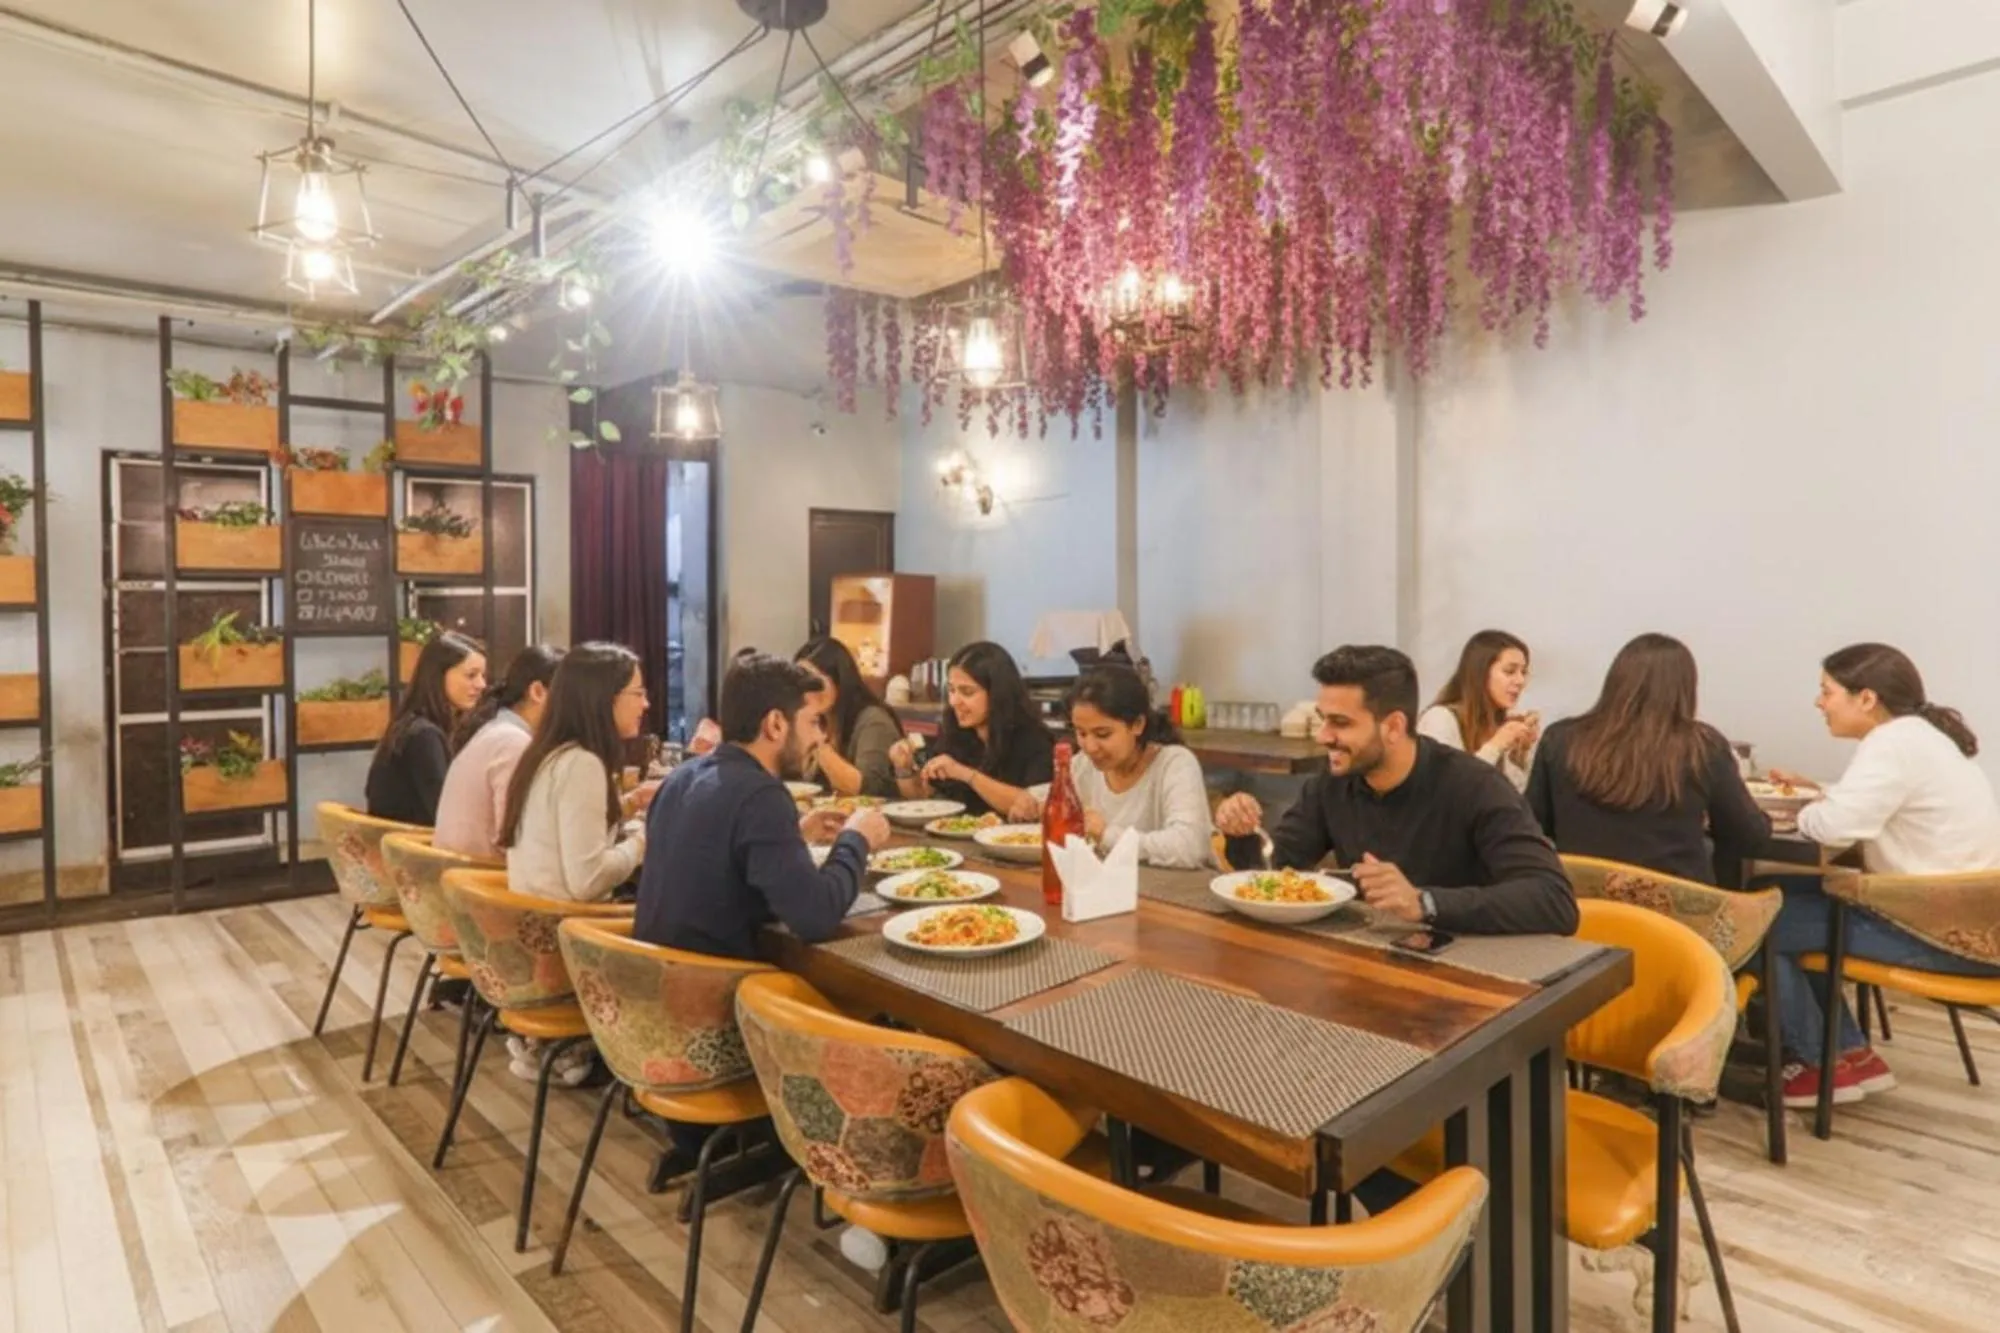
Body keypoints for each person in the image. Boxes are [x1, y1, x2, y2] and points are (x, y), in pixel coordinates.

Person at [1760, 643, 2000, 1108]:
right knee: (1773, 894)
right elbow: (1877, 801)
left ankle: (1815, 1064)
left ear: (1865, 698)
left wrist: (1800, 810)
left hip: (1940, 933)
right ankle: (1850, 1052)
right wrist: (1821, 791)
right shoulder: (1920, 737)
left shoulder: (1891, 745)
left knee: (1761, 919)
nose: (1818, 703)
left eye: (1826, 692)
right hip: (1970, 923)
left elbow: (1836, 825)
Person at [1214, 645, 1577, 936]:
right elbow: (1275, 869)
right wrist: (1241, 833)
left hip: (1469, 978)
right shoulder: (1335, 781)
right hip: (1369, 964)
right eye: (1322, 719)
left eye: (1339, 722)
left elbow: (1554, 902)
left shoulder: (1475, 786)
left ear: (1393, 726)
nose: (1323, 736)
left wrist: (1424, 902)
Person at [636, 650, 890, 959]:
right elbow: (816, 917)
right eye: (812, 722)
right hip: (715, 992)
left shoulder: (682, 777)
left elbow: (719, 858)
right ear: (775, 724)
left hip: (652, 982)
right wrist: (856, 839)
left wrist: (795, 833)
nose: (817, 737)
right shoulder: (761, 796)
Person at [1526, 633, 1769, 884]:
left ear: (1615, 681)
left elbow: (1532, 825)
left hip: (1581, 909)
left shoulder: (1559, 738)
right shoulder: (1703, 746)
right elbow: (1749, 836)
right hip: (1670, 915)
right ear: (1684, 690)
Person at [499, 643, 656, 905]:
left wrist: (630, 803)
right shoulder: (582, 764)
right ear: (605, 698)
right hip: (562, 932)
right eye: (638, 693)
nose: (646, 704)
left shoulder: (550, 753)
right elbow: (588, 881)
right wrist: (644, 841)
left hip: (530, 923)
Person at [1065, 666, 1214, 868]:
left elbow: (1190, 847)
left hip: (1171, 894)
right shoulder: (1081, 766)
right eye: (1081, 733)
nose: (1090, 747)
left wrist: (1106, 835)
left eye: (1103, 734)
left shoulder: (1174, 764)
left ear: (1137, 725)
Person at [889, 641, 1053, 818]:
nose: (954, 702)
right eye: (951, 691)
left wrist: (967, 775)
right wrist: (903, 769)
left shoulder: (1035, 740)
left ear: (997, 693)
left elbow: (1033, 806)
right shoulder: (957, 733)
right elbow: (923, 799)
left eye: (967, 692)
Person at [432, 645, 565, 861]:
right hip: (480, 883)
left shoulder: (498, 730)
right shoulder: (513, 743)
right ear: (537, 692)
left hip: (460, 877)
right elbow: (513, 839)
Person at [364, 631, 486, 825]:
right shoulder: (423, 736)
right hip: (413, 850)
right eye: (471, 675)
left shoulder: (411, 725)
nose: (481, 684)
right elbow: (445, 816)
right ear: (438, 676)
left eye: (482, 675)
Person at [1417, 630, 1538, 792]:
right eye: (1510, 671)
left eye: (1523, 672)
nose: (1520, 681)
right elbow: (1449, 793)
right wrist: (1495, 746)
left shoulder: (1502, 724)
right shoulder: (1440, 719)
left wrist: (1521, 755)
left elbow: (1515, 801)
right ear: (1480, 672)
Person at [794, 637, 904, 799]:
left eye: (815, 682)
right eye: (800, 682)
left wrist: (817, 743)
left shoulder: (874, 720)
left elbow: (869, 790)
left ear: (839, 679)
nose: (807, 691)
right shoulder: (819, 718)